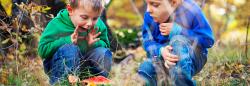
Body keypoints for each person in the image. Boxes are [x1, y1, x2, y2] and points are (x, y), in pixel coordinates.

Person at [138, 0, 214, 85]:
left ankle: (182, 82)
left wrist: (180, 31)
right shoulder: (149, 15)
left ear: (174, 3)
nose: (148, 9)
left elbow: (208, 40)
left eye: (155, 4)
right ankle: (166, 81)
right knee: (145, 68)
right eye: (147, 3)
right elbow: (147, 42)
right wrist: (161, 50)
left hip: (192, 56)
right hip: (161, 58)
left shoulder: (191, 9)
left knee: (177, 41)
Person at [38, 0, 112, 84]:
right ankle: (64, 81)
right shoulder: (56, 25)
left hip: (85, 66)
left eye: (95, 18)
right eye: (84, 17)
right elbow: (42, 51)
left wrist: (94, 44)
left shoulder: (99, 25)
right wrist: (67, 40)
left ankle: (95, 80)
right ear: (70, 10)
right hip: (60, 66)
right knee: (70, 49)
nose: (90, 23)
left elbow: (106, 48)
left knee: (102, 52)